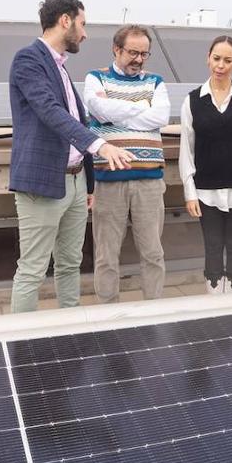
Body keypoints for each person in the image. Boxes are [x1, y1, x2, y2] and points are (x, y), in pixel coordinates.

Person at [7, 0, 135, 312]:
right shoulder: (28, 61)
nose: (85, 33)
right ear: (65, 20)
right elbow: (50, 112)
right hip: (43, 183)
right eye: (82, 23)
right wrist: (99, 144)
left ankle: (71, 331)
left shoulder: (61, 67)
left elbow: (76, 119)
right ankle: (19, 341)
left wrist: (87, 185)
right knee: (33, 270)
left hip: (76, 184)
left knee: (70, 263)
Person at [83, 25, 171, 303]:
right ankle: (109, 315)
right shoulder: (95, 78)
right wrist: (142, 109)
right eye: (133, 52)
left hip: (149, 182)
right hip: (108, 182)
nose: (139, 59)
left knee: (153, 253)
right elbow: (98, 108)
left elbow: (161, 118)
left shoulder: (156, 82)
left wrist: (114, 112)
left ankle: (153, 311)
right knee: (106, 256)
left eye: (144, 54)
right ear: (116, 49)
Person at [178, 35, 232, 294]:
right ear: (208, 58)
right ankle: (215, 303)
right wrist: (189, 191)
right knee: (213, 246)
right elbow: (187, 149)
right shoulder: (192, 100)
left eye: (228, 60)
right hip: (205, 190)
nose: (221, 65)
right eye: (216, 58)